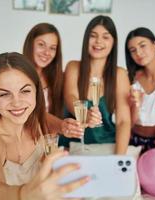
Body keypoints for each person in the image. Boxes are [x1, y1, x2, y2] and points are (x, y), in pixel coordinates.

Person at [0, 52, 88, 200]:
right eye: (4, 94)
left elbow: (44, 116)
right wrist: (25, 194)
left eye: (25, 91)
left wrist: (63, 126)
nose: (17, 102)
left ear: (36, 91)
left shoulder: (36, 125)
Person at [58, 15, 131, 154]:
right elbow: (70, 97)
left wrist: (118, 158)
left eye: (105, 37)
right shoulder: (73, 67)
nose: (98, 41)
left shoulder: (120, 74)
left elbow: (123, 121)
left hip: (107, 145)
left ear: (113, 42)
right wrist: (86, 115)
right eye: (93, 35)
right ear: (86, 39)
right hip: (74, 145)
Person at [23, 23, 83, 139]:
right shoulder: (18, 75)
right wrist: (61, 125)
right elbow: (34, 112)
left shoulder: (57, 77)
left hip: (50, 142)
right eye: (41, 45)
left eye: (52, 48)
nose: (47, 52)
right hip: (24, 141)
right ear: (30, 44)